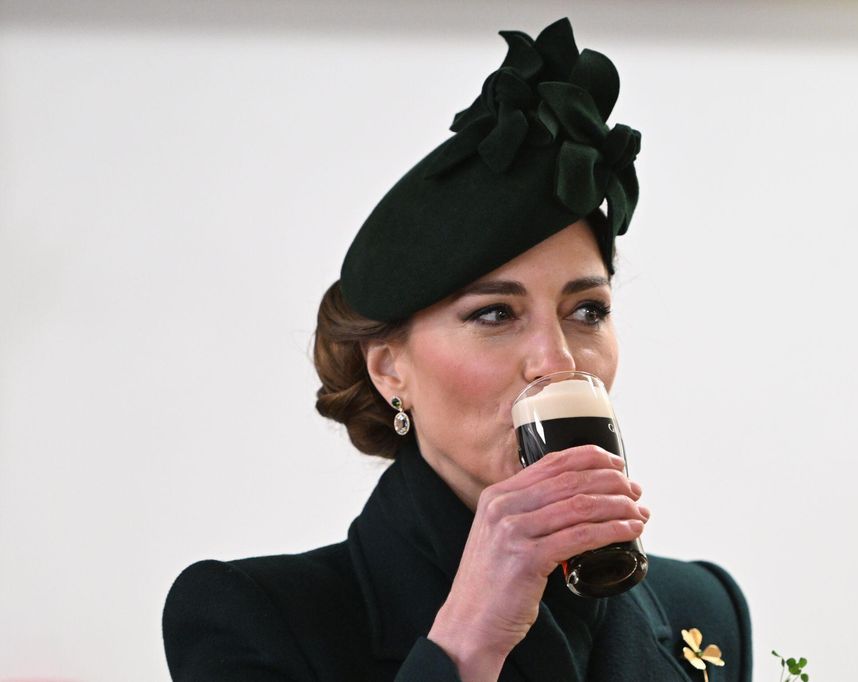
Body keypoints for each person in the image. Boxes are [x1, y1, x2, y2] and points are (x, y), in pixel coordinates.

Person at [162, 18, 752, 682]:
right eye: (495, 313)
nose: (556, 361)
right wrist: (467, 645)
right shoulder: (262, 620)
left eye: (586, 310)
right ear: (389, 368)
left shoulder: (704, 609)